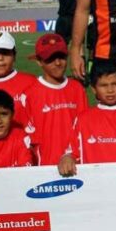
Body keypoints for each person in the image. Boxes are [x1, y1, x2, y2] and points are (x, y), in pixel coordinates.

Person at [24, 33, 87, 165]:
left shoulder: (77, 88)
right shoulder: (30, 94)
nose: (58, 63)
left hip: (78, 164)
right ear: (39, 61)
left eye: (61, 57)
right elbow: (25, 138)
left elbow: (85, 128)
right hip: (46, 166)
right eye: (50, 59)